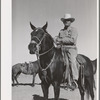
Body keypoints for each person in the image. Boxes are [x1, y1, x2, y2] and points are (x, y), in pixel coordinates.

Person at [54, 14, 79, 90]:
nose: (66, 22)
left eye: (68, 20)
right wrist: (55, 39)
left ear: (71, 21)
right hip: (61, 49)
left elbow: (72, 40)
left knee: (72, 62)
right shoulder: (61, 31)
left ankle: (74, 80)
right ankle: (60, 79)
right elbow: (57, 39)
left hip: (71, 49)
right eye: (65, 20)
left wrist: (61, 40)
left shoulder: (74, 30)